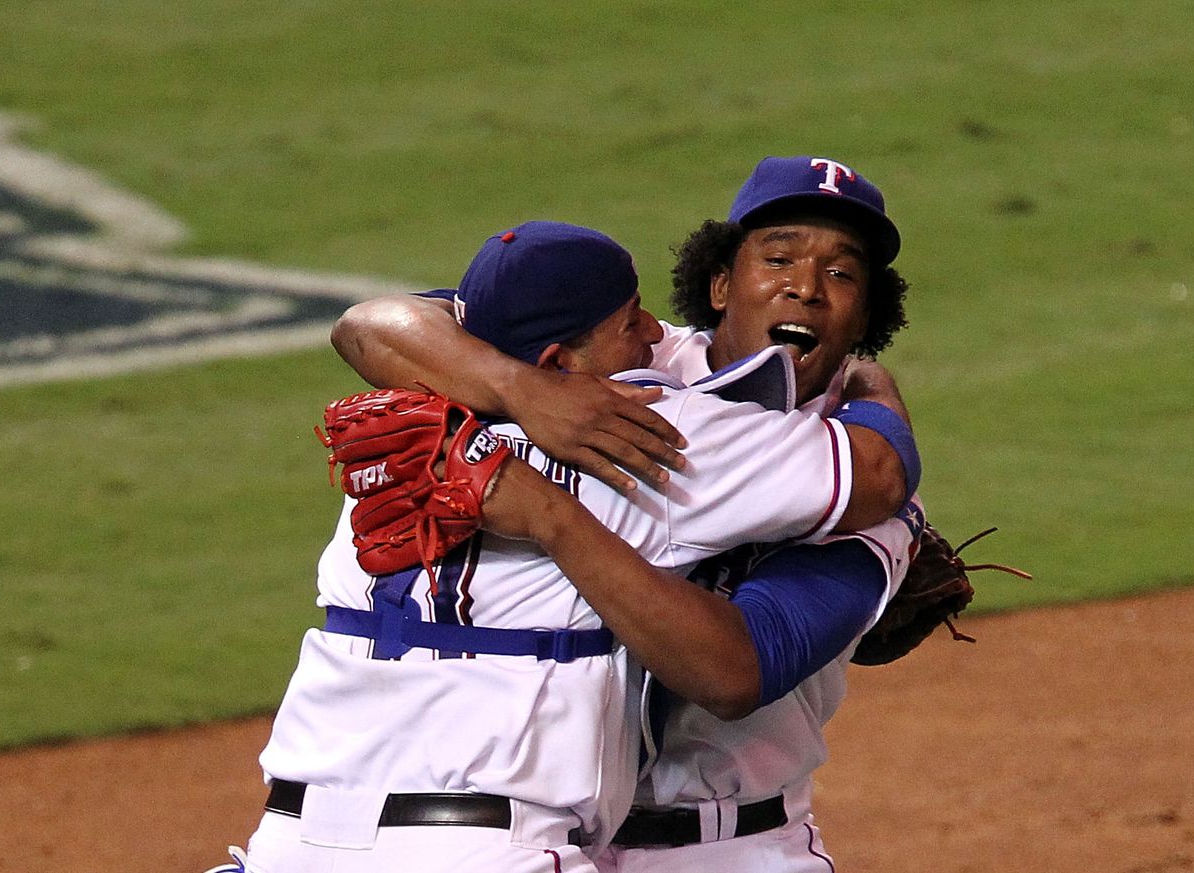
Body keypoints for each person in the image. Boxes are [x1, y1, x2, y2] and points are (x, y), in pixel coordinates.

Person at [230, 217, 917, 873]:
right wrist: (870, 384)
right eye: (628, 322)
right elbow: (878, 472)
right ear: (563, 360)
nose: (654, 335)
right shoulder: (651, 436)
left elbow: (368, 323)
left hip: (294, 834)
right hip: (490, 847)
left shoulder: (407, 426)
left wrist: (520, 391)